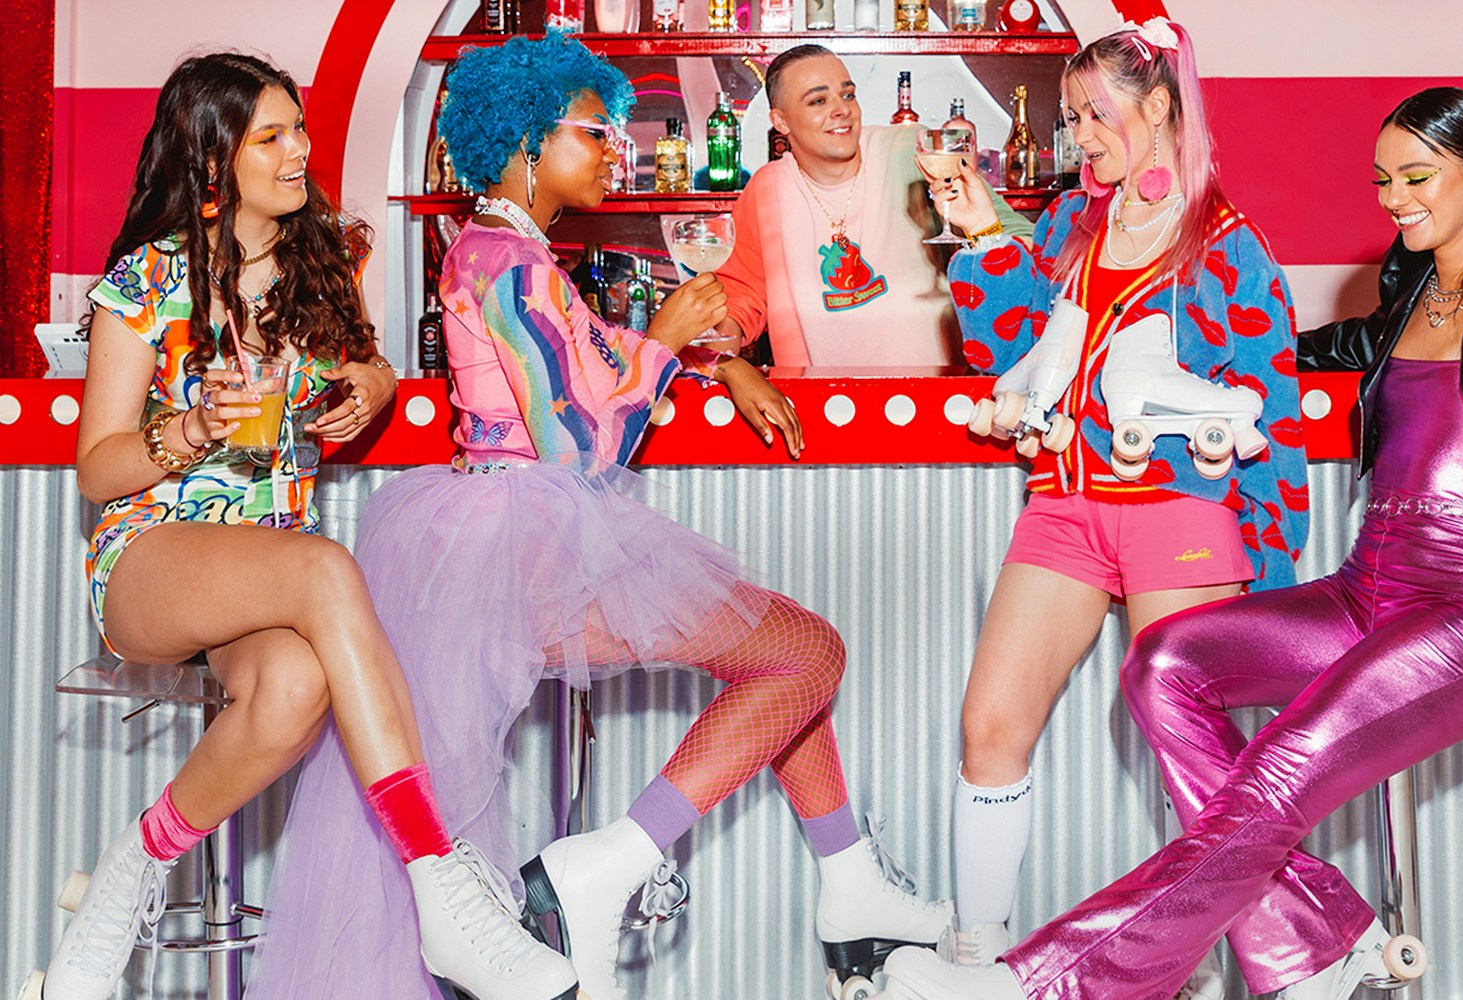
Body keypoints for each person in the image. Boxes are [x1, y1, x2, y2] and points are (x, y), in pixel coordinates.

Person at [247, 33, 951, 1000]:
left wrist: (716, 356)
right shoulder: (508, 265)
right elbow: (580, 447)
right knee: (807, 653)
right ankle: (610, 864)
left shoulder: (513, 253)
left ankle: (850, 880)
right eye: (594, 131)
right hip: (531, 542)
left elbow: (606, 354)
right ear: (528, 141)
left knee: (784, 659)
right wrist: (664, 347)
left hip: (517, 534)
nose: (614, 149)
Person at [881, 84, 1463, 1000]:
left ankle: (1041, 981)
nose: (1394, 198)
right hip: (1366, 585)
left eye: (1417, 176)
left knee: (1278, 771)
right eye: (1382, 181)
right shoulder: (1408, 287)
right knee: (1163, 666)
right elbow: (1316, 349)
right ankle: (1319, 941)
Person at [45, 53, 569, 1000]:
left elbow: (364, 370)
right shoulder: (149, 280)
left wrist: (366, 388)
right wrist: (189, 429)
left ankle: (130, 872)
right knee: (327, 570)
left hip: (264, 572)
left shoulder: (321, 258)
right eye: (272, 137)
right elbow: (96, 465)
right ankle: (438, 884)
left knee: (292, 688)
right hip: (152, 560)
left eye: (300, 129)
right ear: (214, 160)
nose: (300, 151)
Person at [890, 17, 1307, 997]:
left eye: (1095, 110)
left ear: (1161, 102)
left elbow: (1273, 424)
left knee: (1197, 755)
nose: (1079, 133)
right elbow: (1014, 354)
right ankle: (976, 957)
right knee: (990, 724)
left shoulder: (1230, 246)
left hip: (1178, 512)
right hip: (1064, 506)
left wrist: (1276, 578)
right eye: (1072, 115)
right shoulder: (1069, 226)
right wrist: (985, 228)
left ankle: (1239, 957)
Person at [711, 44, 1032, 368]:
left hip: (937, 397)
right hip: (817, 401)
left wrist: (981, 235)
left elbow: (1011, 235)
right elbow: (740, 296)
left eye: (847, 95)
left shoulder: (910, 150)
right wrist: (722, 364)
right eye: (818, 100)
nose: (841, 110)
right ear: (780, 121)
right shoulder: (767, 188)